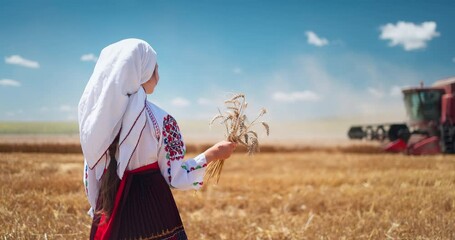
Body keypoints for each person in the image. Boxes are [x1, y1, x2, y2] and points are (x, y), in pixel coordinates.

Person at [78, 38, 236, 240]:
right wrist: (213, 154)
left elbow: (92, 175)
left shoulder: (96, 121)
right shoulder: (161, 120)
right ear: (140, 71)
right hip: (153, 209)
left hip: (108, 207)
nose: (158, 76)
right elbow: (175, 177)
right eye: (155, 69)